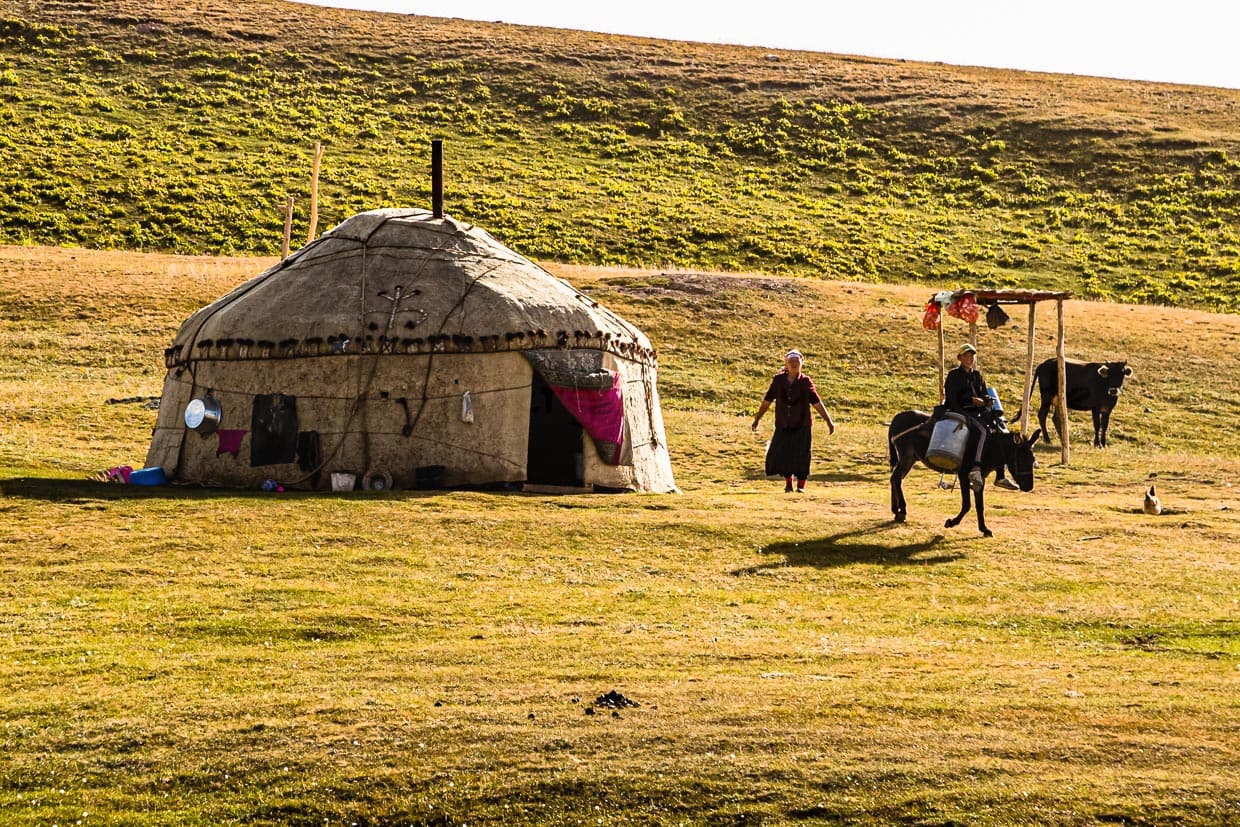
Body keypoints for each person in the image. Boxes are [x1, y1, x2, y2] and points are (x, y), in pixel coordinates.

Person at [751, 349, 835, 493]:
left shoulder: (805, 381)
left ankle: (801, 485)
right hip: (784, 424)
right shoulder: (778, 380)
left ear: (802, 363)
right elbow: (767, 400)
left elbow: (816, 402)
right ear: (786, 363)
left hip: (802, 424)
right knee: (783, 454)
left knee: (802, 455)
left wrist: (828, 420)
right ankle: (788, 483)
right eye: (791, 362)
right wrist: (757, 419)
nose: (794, 364)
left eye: (797, 362)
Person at [944, 342, 1017, 491]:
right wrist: (970, 401)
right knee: (982, 430)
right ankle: (976, 469)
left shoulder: (977, 375)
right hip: (959, 411)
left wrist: (986, 400)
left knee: (1000, 430)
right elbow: (951, 398)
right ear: (960, 358)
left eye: (972, 356)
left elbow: (983, 392)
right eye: (966, 356)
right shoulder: (954, 375)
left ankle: (1000, 475)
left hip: (977, 412)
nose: (969, 359)